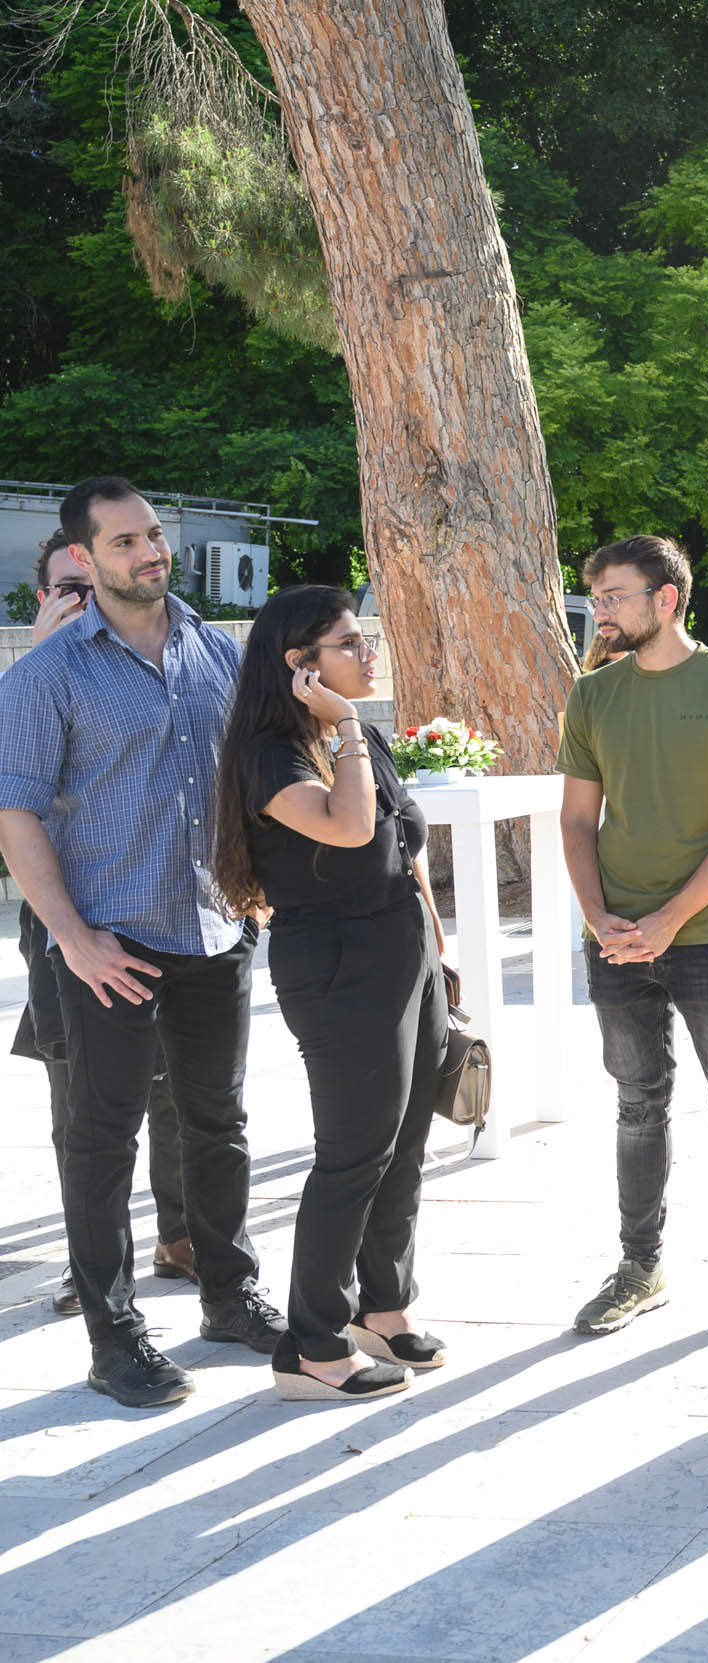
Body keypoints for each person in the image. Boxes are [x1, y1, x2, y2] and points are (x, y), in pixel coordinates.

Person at [0, 476, 280, 1408]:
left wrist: (258, 888)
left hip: (215, 925)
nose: (149, 551)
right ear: (83, 558)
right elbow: (15, 813)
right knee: (103, 1139)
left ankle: (230, 1296)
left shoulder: (217, 650)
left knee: (219, 1123)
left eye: (154, 534)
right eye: (124, 541)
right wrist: (72, 939)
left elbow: (245, 776)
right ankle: (113, 1336)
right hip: (110, 945)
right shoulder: (46, 675)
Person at [211, 587, 447, 1399]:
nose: (369, 652)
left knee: (405, 1143)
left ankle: (383, 1306)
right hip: (339, 964)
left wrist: (439, 949)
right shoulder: (271, 756)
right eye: (350, 643)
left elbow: (404, 843)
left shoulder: (356, 737)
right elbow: (349, 828)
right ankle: (311, 1343)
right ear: (299, 665)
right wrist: (344, 722)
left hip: (404, 948)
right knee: (354, 1154)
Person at [558, 535, 708, 1342]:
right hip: (619, 941)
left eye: (614, 595)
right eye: (598, 597)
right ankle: (639, 1268)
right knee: (636, 1105)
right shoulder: (593, 694)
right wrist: (599, 918)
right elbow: (577, 819)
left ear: (667, 598)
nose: (602, 610)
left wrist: (671, 919)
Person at [12, 529, 192, 1316]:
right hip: (65, 918)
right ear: (42, 599)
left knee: (180, 1085)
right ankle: (92, 1263)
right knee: (81, 1097)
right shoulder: (32, 682)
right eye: (67, 591)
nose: (82, 604)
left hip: (168, 905)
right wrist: (38, 663)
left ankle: (181, 1234)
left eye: (90, 589)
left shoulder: (159, 657)